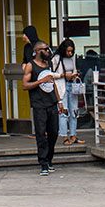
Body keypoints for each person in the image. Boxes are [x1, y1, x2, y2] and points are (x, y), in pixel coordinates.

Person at [23, 40, 63, 174]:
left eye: (48, 49)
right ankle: (43, 163)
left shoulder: (48, 64)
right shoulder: (30, 66)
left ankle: (49, 159)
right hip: (39, 104)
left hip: (52, 102)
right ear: (37, 51)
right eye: (45, 49)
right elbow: (25, 85)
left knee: (54, 132)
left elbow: (53, 83)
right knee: (41, 134)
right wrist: (40, 81)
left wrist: (59, 101)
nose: (47, 51)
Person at [53, 38, 82, 146]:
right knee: (63, 112)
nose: (70, 53)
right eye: (68, 51)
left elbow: (74, 69)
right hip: (62, 86)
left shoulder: (72, 58)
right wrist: (63, 75)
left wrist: (75, 74)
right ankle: (65, 136)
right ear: (63, 50)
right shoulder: (56, 58)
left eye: (71, 51)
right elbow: (51, 74)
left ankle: (73, 135)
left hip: (72, 85)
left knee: (74, 111)